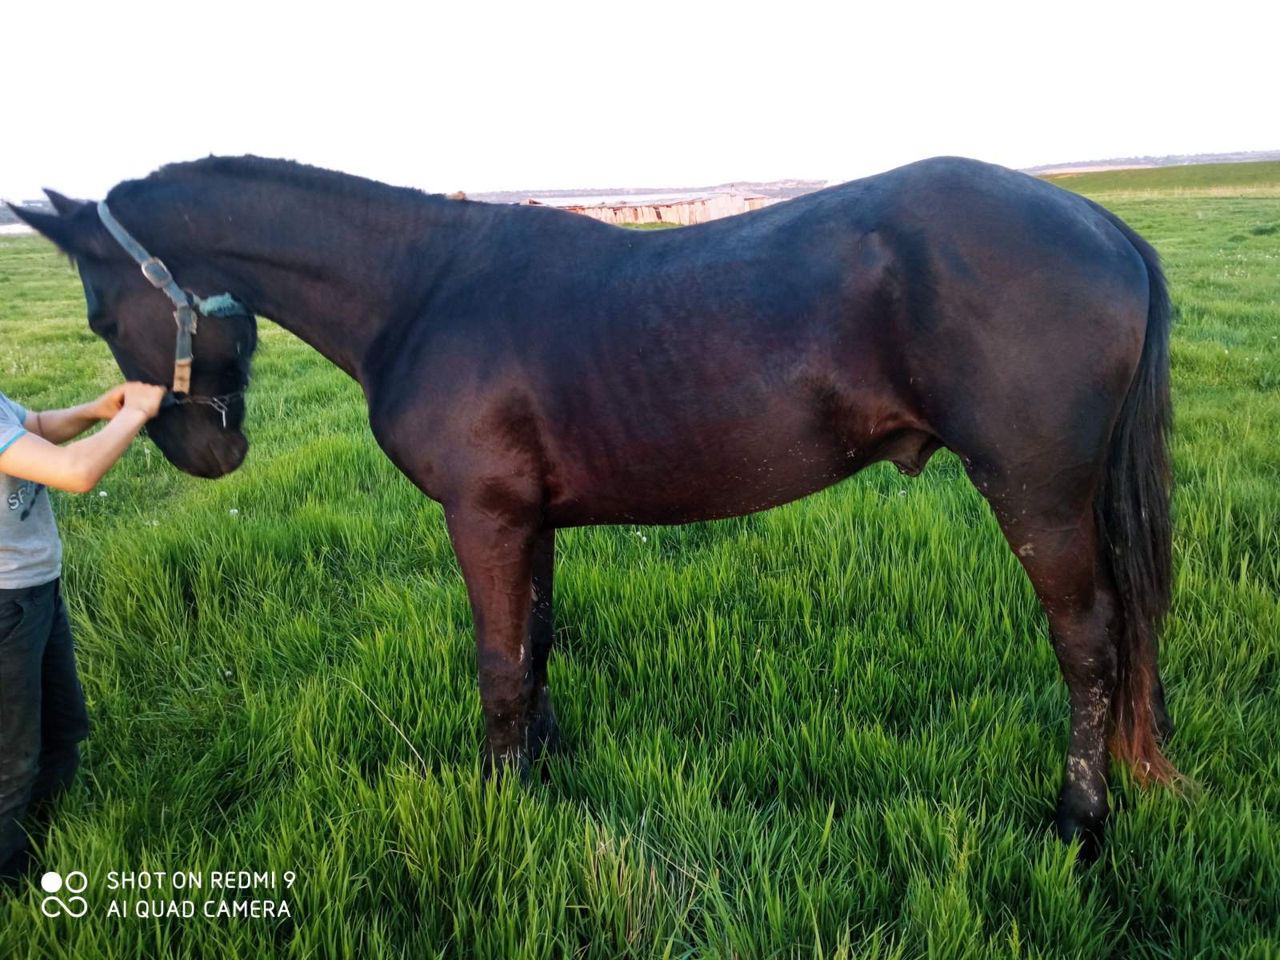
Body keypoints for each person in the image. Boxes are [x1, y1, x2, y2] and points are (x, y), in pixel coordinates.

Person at [0, 381, 166, 882]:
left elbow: (38, 427)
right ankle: (9, 872)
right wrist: (133, 414)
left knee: (62, 726)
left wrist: (96, 409)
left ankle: (49, 824)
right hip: (6, 607)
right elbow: (76, 472)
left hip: (34, 592)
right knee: (9, 757)